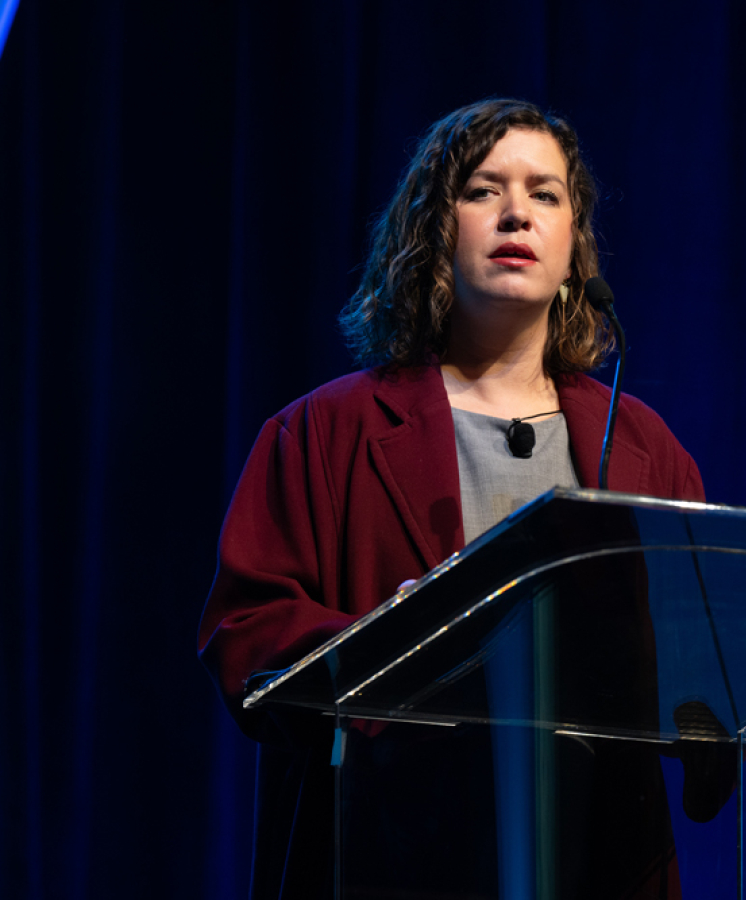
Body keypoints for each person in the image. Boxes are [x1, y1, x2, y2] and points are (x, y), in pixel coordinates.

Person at [198, 98, 706, 900]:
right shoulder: (325, 431)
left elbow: (700, 657)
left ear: (576, 246)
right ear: (436, 228)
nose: (516, 213)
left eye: (545, 193)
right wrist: (384, 645)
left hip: (599, 857)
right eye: (482, 189)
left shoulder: (642, 447)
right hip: (389, 850)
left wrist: (708, 718)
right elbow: (246, 631)